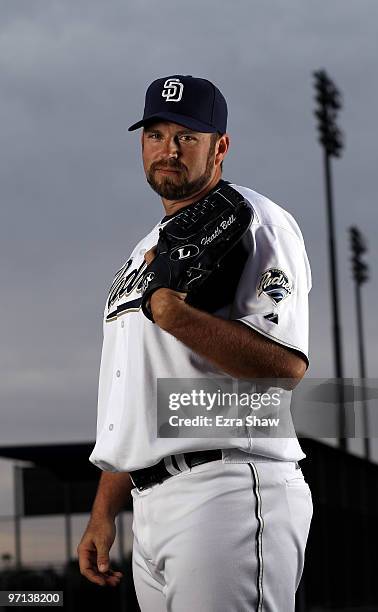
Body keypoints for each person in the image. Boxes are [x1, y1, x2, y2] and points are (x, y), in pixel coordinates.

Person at [78, 74, 313, 612]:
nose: (169, 150)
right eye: (155, 134)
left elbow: (283, 370)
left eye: (187, 136)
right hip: (151, 503)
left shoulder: (255, 220)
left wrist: (174, 315)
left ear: (220, 146)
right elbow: (133, 396)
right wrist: (103, 513)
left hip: (227, 487)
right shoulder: (142, 253)